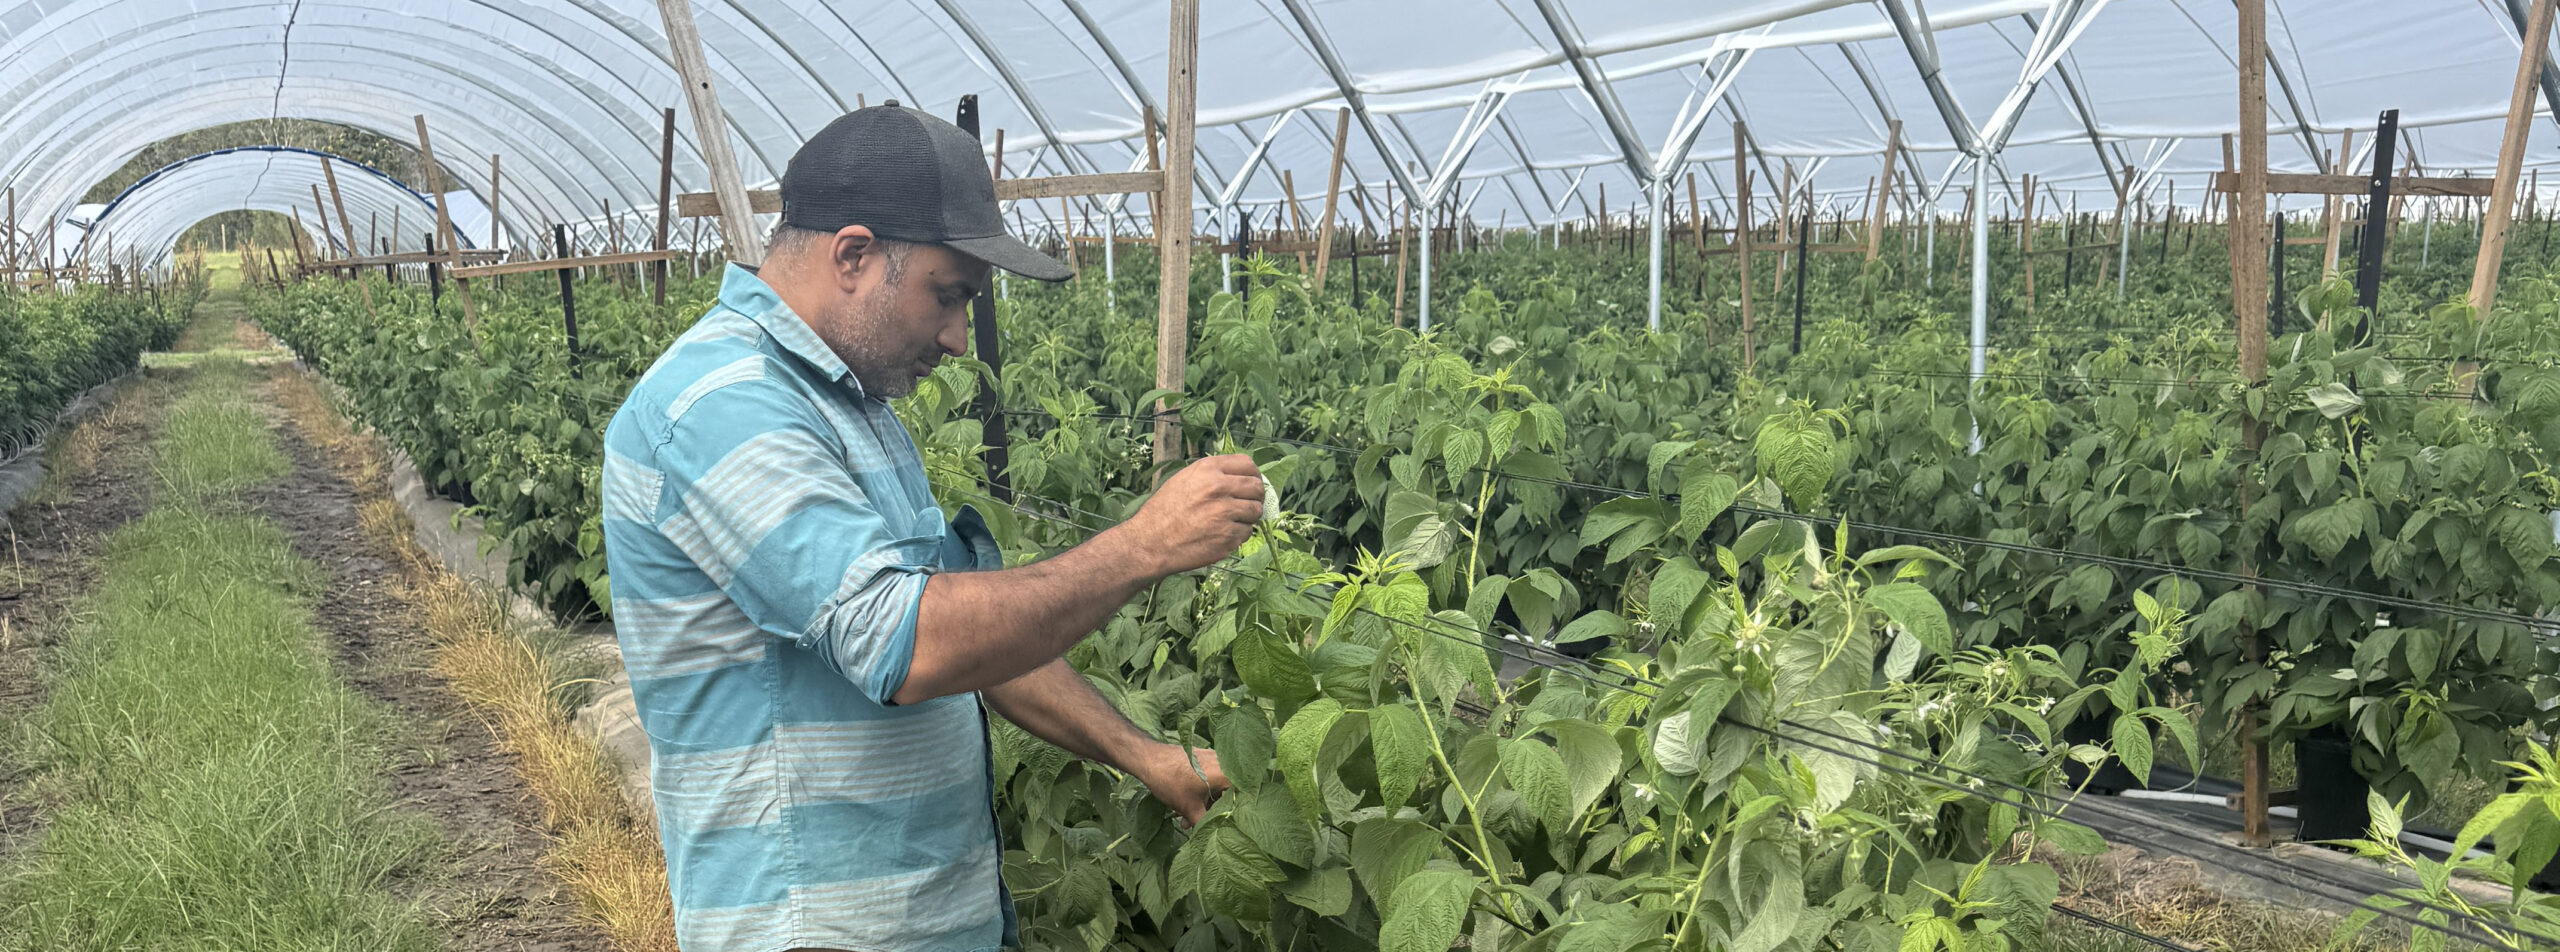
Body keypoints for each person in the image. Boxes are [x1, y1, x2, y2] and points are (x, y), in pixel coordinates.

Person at [600, 104, 1262, 952]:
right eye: (947, 298)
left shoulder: (854, 406)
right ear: (853, 255)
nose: (957, 337)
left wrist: (1144, 754)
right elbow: (909, 643)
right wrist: (1141, 548)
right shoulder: (721, 406)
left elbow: (975, 643)